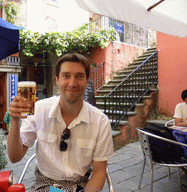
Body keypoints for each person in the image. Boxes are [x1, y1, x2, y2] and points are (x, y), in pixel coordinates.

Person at [7, 53, 114, 192]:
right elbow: (15, 157)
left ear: (87, 81)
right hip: (44, 186)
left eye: (79, 76)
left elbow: (99, 171)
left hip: (80, 187)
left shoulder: (100, 121)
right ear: (57, 80)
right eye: (66, 76)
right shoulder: (39, 110)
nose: (72, 83)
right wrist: (15, 121)